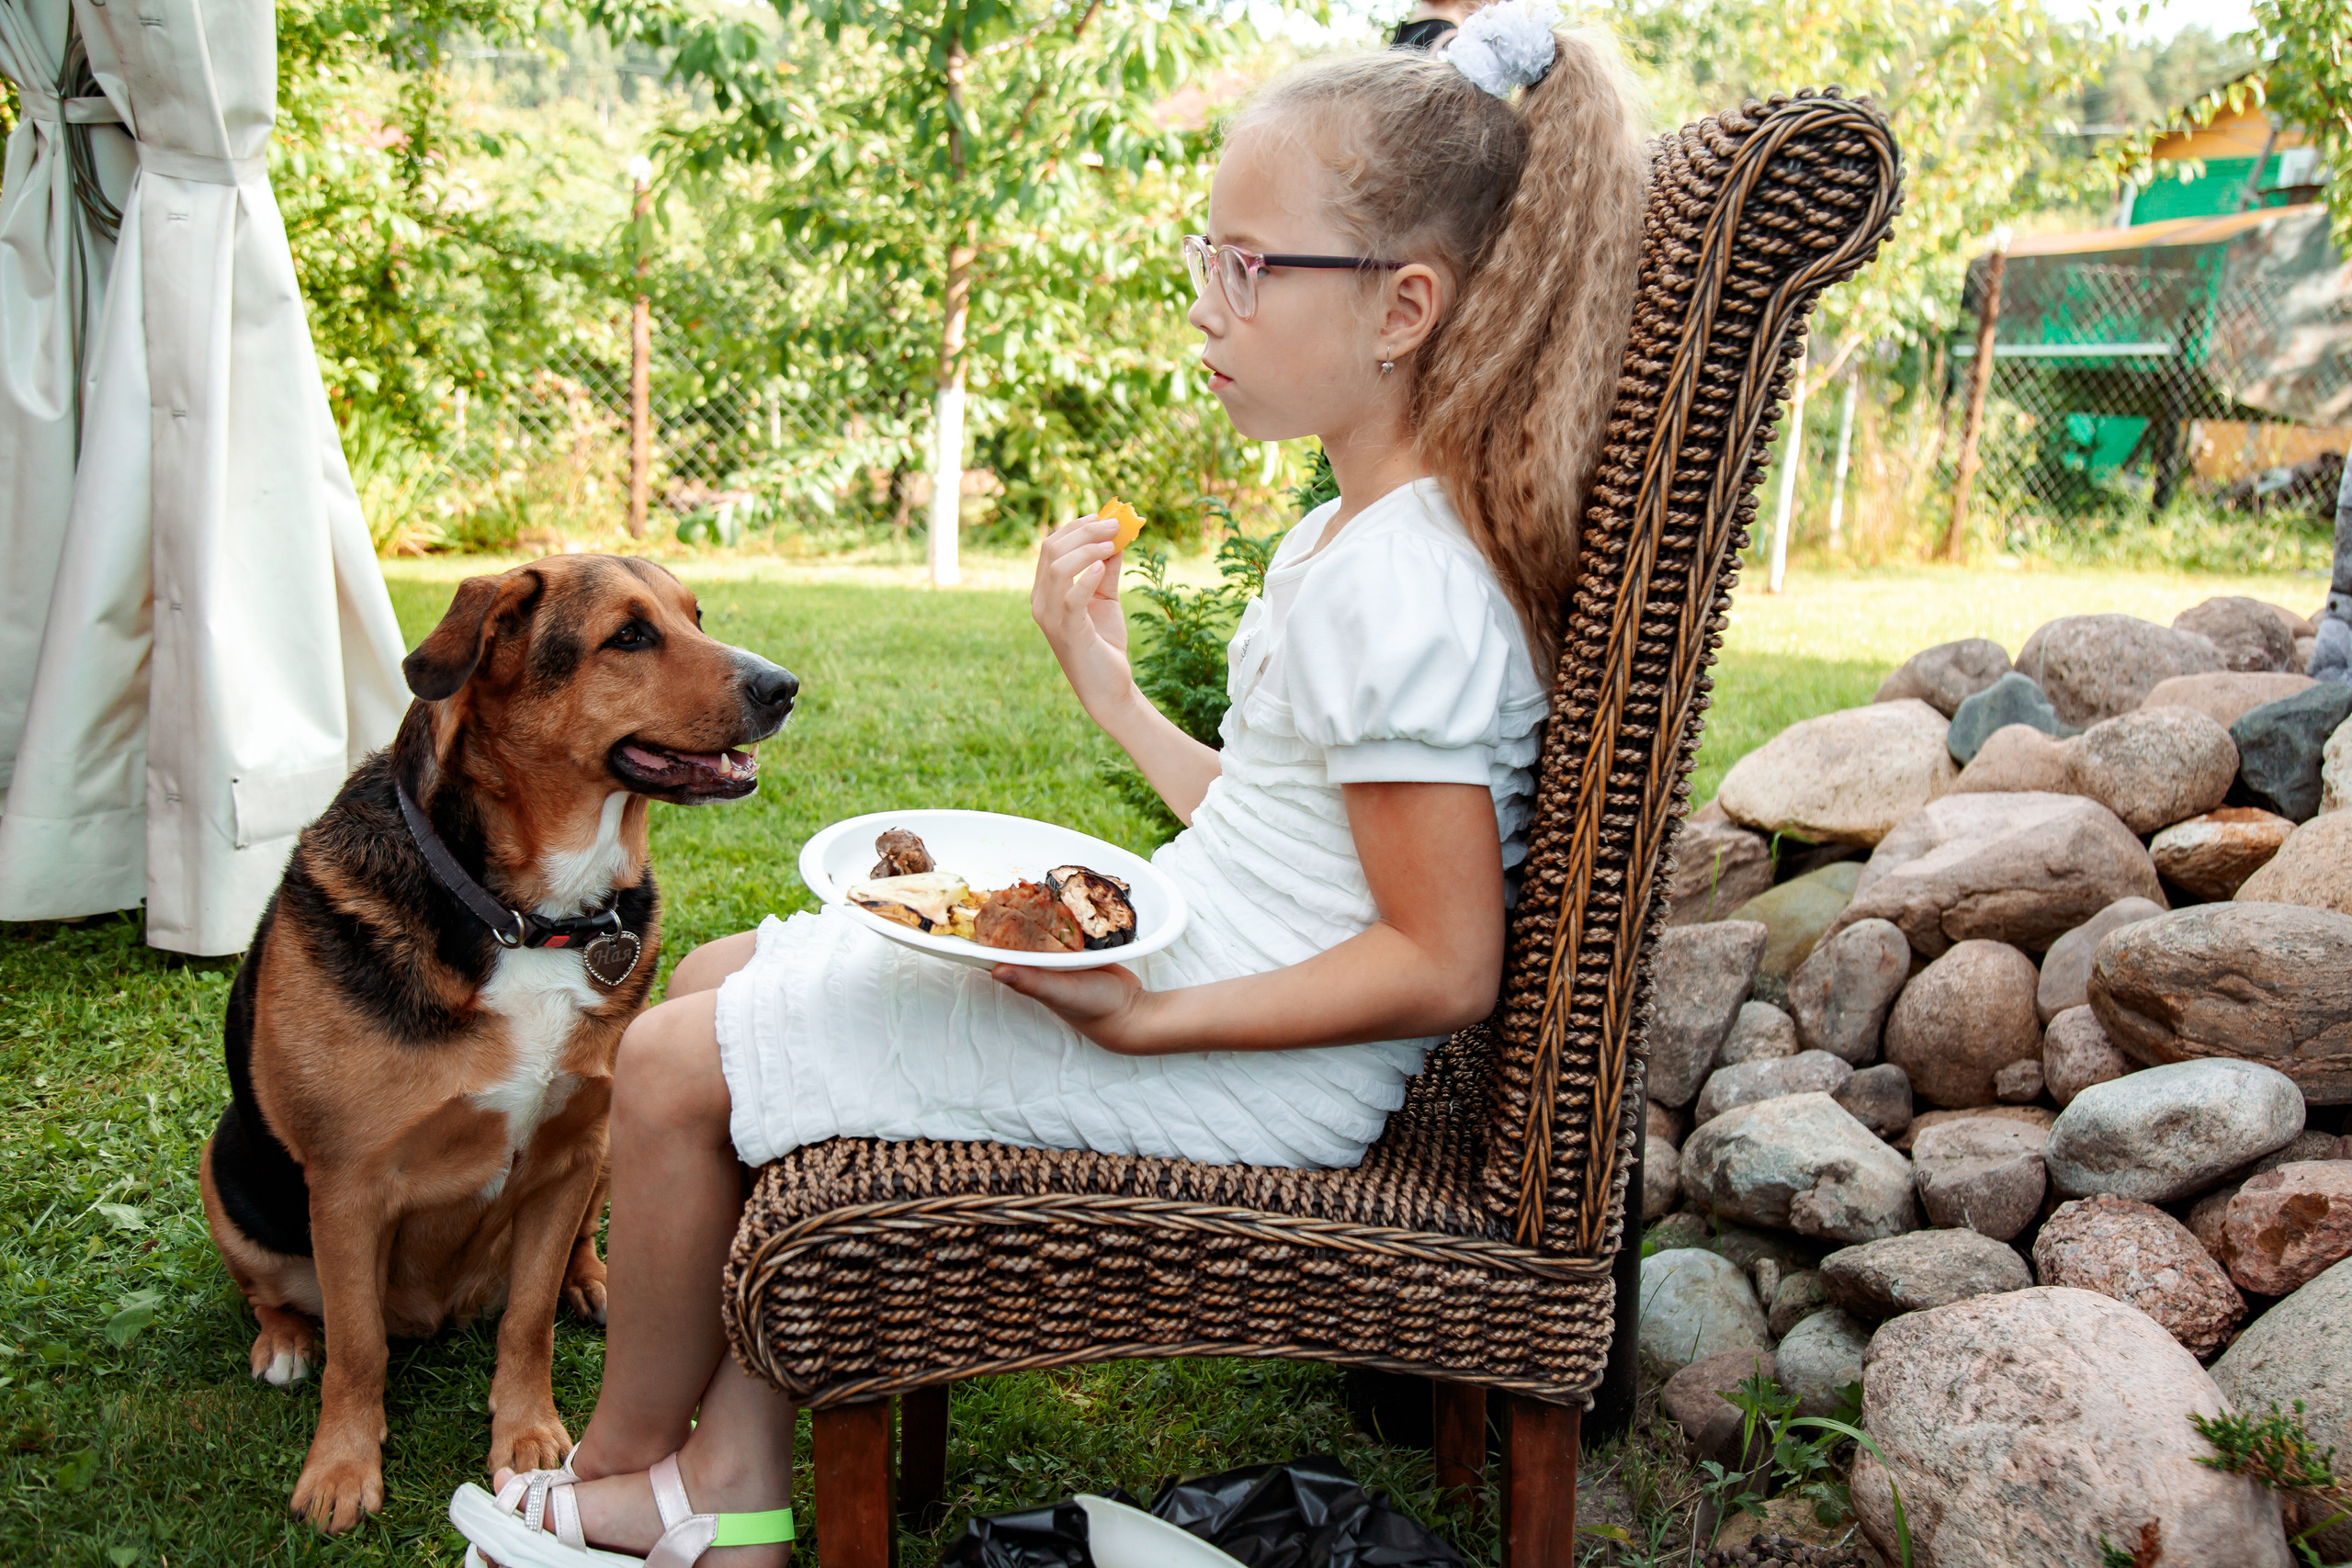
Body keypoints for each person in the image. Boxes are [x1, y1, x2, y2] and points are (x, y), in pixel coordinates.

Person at [447, 7, 1645, 1562]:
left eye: (1248, 265)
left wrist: (1144, 1012)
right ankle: (726, 1482)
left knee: (676, 1064)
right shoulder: (1353, 540)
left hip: (1253, 1071)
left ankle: (630, 1474)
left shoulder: (1400, 584)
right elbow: (1298, 838)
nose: (1207, 305)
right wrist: (1116, 693)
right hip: (1231, 966)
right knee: (740, 974)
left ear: (1404, 307)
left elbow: (1439, 958)